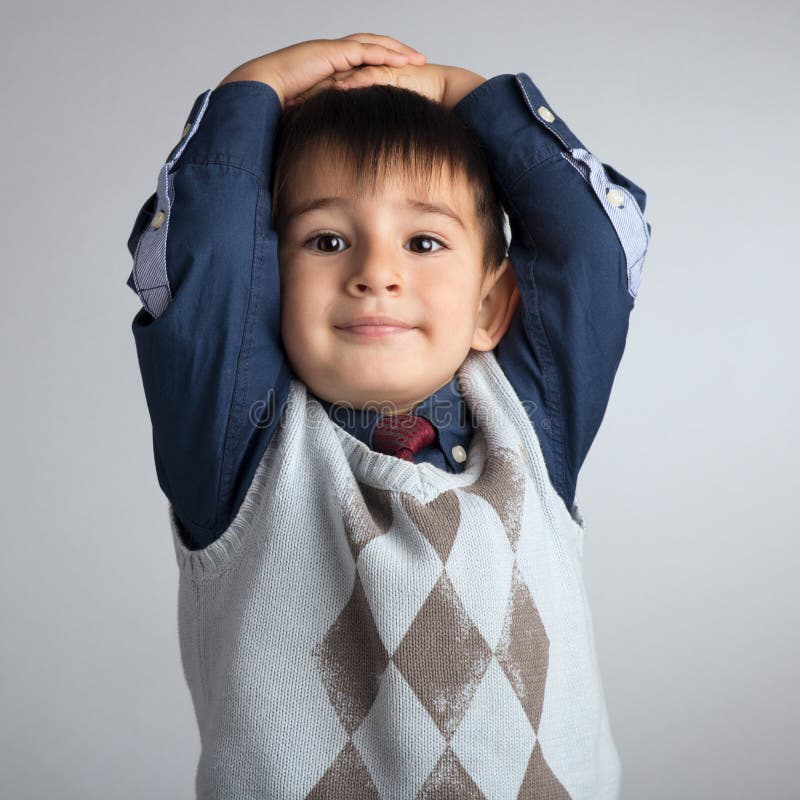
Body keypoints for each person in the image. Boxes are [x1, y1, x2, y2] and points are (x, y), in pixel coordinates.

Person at [126, 33, 651, 799]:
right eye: (327, 239)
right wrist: (254, 87)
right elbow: (200, 263)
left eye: (425, 240)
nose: (376, 272)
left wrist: (470, 94)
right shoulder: (240, 447)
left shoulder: (531, 424)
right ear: (268, 291)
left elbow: (598, 249)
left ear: (490, 305)